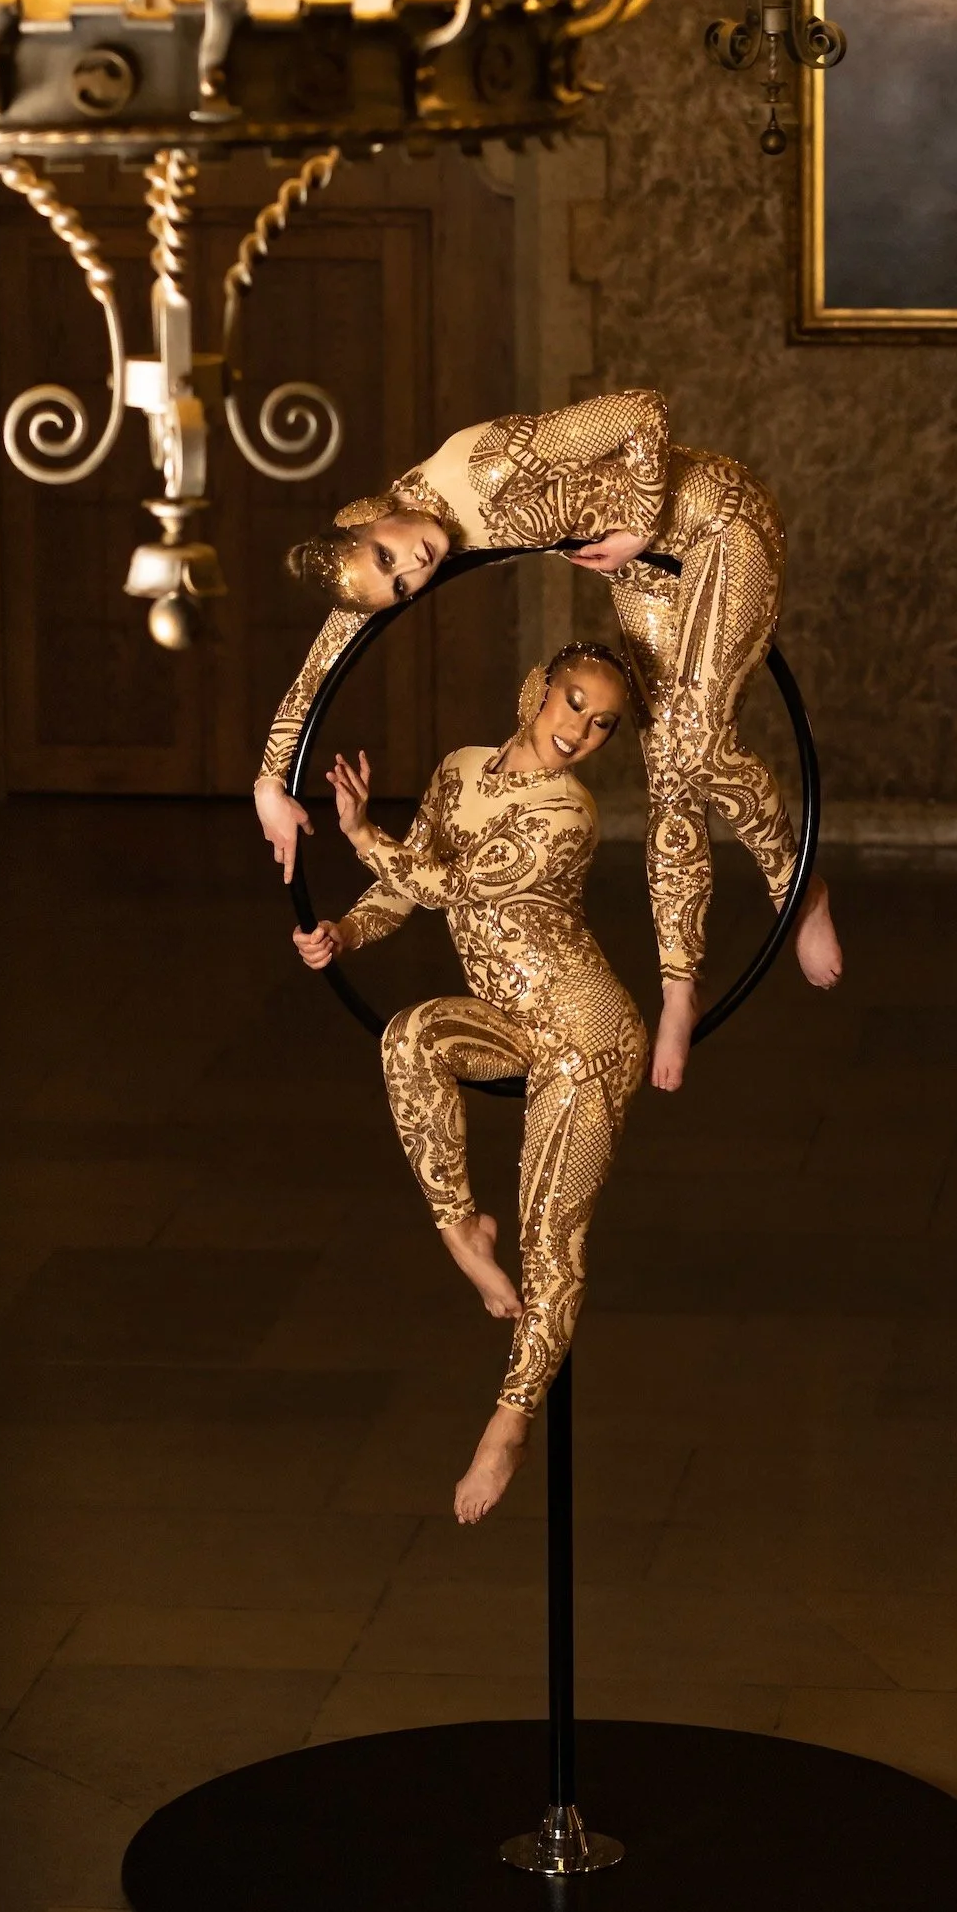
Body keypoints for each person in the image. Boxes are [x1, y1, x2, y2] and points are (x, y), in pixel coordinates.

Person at [253, 387, 842, 1094]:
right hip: (639, 559)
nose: (414, 570)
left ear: (373, 516)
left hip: (714, 523)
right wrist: (268, 784)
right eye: (402, 584)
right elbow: (321, 666)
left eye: (391, 558)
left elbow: (642, 411)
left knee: (694, 741)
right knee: (672, 770)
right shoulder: (406, 541)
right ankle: (680, 984)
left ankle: (798, 891)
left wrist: (640, 518)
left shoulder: (481, 468)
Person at [292, 645, 646, 1525]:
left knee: (549, 1244)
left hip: (587, 1033)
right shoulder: (457, 772)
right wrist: (344, 930)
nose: (580, 731)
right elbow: (403, 889)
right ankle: (459, 1230)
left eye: (601, 723)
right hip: (515, 1022)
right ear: (536, 690)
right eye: (572, 703)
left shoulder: (568, 813)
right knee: (409, 1037)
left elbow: (448, 886)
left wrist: (360, 833)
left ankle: (509, 1421)